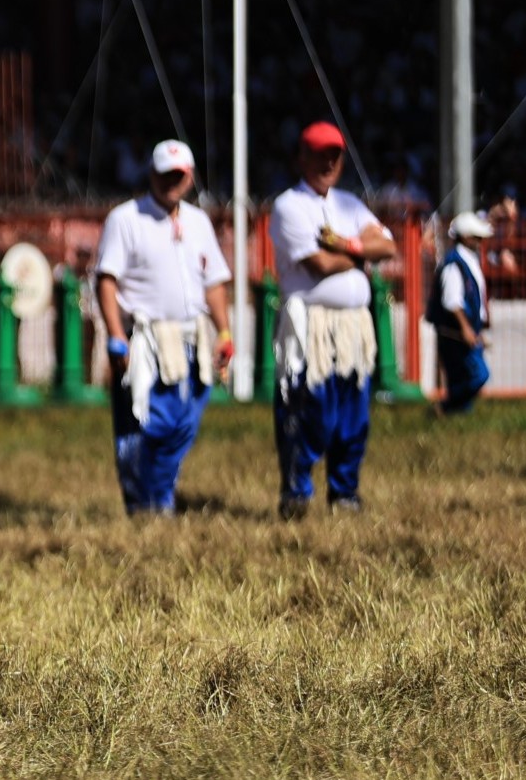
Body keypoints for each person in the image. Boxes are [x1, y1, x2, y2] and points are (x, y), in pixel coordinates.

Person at [94, 139, 234, 517]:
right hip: (146, 341)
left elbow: (215, 281)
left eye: (179, 175)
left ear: (189, 178)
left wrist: (223, 331)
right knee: (144, 423)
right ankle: (146, 502)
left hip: (191, 337)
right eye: (165, 174)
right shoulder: (126, 218)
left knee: (183, 423)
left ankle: (158, 494)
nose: (171, 182)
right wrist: (116, 336)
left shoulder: (198, 222)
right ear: (151, 174)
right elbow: (106, 280)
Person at [268, 120, 397, 519]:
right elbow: (320, 264)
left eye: (334, 155)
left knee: (353, 414)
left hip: (351, 326)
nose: (328, 163)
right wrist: (361, 254)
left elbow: (388, 245)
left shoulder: (348, 205)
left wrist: (351, 244)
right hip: (313, 324)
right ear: (301, 158)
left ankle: (345, 491)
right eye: (319, 154)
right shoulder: (289, 205)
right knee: (309, 410)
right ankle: (297, 492)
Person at [429, 212, 493, 416]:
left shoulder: (468, 260)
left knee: (464, 377)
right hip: (454, 332)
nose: (480, 241)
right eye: (476, 237)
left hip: (467, 330)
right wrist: (466, 328)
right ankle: (446, 407)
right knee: (477, 375)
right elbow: (452, 301)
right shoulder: (453, 263)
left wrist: (477, 328)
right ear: (465, 237)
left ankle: (456, 413)